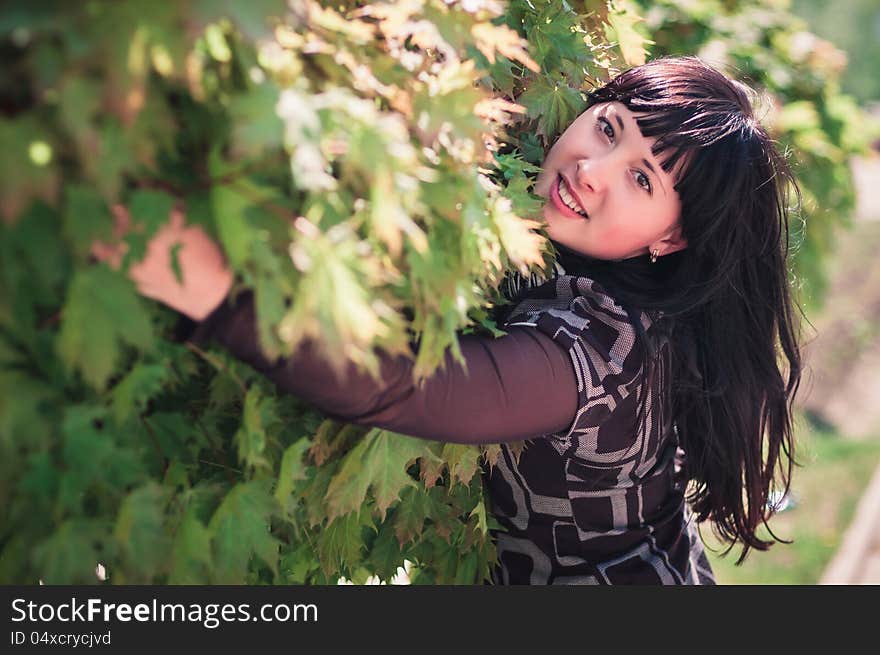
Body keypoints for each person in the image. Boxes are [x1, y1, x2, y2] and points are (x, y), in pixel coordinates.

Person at [97, 55, 804, 585]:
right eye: (609, 128)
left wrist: (220, 295)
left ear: (671, 239)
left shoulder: (597, 353)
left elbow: (414, 388)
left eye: (642, 179)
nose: (594, 170)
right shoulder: (635, 286)